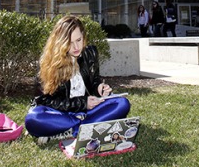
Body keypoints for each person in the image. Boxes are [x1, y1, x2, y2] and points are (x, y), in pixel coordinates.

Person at [24, 15, 130, 144]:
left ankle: (71, 130)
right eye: (70, 42)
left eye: (78, 40)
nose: (76, 47)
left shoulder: (90, 53)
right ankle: (86, 127)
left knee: (122, 103)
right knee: (34, 118)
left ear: (83, 37)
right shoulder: (48, 62)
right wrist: (82, 103)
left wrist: (99, 88)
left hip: (88, 112)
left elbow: (94, 81)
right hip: (61, 114)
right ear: (60, 42)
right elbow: (43, 100)